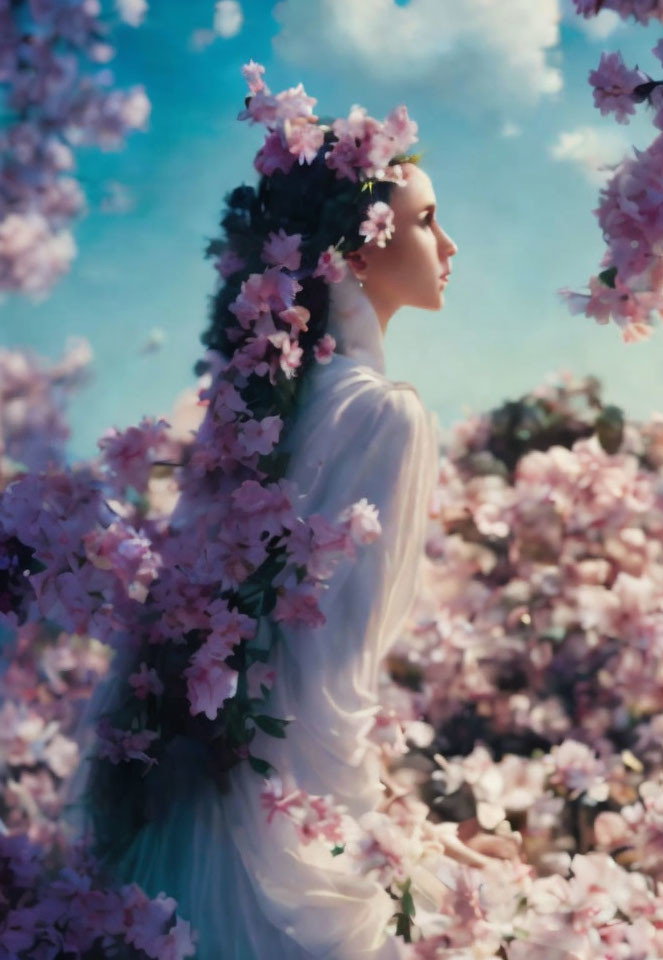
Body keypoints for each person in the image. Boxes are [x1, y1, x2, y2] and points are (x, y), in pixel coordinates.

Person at [62, 76, 512, 959]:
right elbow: (330, 686)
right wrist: (392, 843)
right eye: (425, 221)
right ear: (354, 251)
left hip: (200, 818)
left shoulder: (264, 415)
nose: (450, 243)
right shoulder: (384, 412)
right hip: (279, 831)